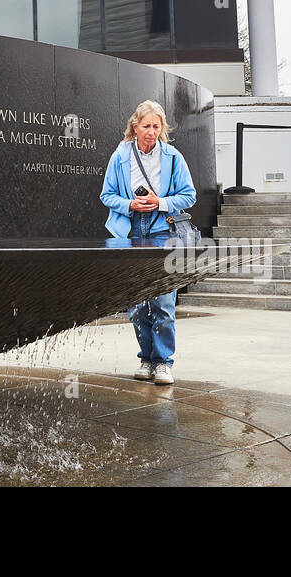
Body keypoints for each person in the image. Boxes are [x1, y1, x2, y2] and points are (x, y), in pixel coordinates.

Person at [100, 100, 196, 386]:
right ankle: (146, 358)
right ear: (135, 126)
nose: (152, 132)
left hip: (163, 231)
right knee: (137, 304)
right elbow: (106, 195)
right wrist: (130, 204)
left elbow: (188, 195)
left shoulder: (173, 157)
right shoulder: (120, 156)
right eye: (146, 126)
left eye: (156, 126)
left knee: (164, 301)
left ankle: (164, 362)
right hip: (129, 232)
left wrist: (160, 202)